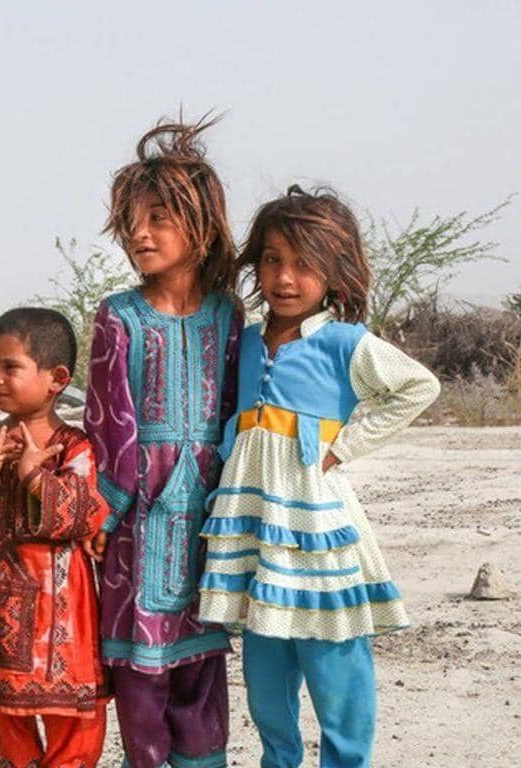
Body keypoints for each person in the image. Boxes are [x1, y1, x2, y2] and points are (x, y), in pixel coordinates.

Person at [199, 186, 440, 768]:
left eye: (305, 264)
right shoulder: (247, 340)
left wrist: (345, 447)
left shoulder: (344, 342)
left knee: (334, 657)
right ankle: (277, 760)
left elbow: (419, 386)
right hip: (256, 522)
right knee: (264, 665)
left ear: (334, 272)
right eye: (274, 259)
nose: (285, 276)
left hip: (314, 520)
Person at [84, 117, 242, 768]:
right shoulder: (117, 315)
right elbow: (108, 420)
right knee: (141, 676)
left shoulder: (228, 315)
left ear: (200, 227)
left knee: (200, 668)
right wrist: (103, 507)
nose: (138, 234)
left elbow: (238, 414)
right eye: (129, 221)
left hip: (210, 513)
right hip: (135, 519)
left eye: (156, 218)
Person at [0, 307, 110, 768]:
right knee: (10, 713)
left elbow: (85, 517)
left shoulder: (74, 444)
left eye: (11, 366)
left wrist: (34, 479)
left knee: (75, 723)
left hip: (61, 608)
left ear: (57, 378)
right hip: (2, 605)